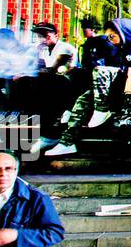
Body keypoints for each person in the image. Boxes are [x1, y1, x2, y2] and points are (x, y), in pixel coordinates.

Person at [45, 17, 118, 155]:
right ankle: (68, 113)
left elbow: (109, 61)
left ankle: (72, 117)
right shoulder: (89, 43)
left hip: (98, 76)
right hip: (89, 74)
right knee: (74, 84)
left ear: (92, 29)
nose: (84, 32)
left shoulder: (102, 42)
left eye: (86, 30)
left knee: (79, 89)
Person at [24, 22, 78, 146]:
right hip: (48, 83)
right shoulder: (42, 50)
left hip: (65, 83)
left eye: (46, 36)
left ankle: (48, 133)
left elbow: (59, 67)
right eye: (40, 36)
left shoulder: (65, 48)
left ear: (56, 35)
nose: (43, 39)